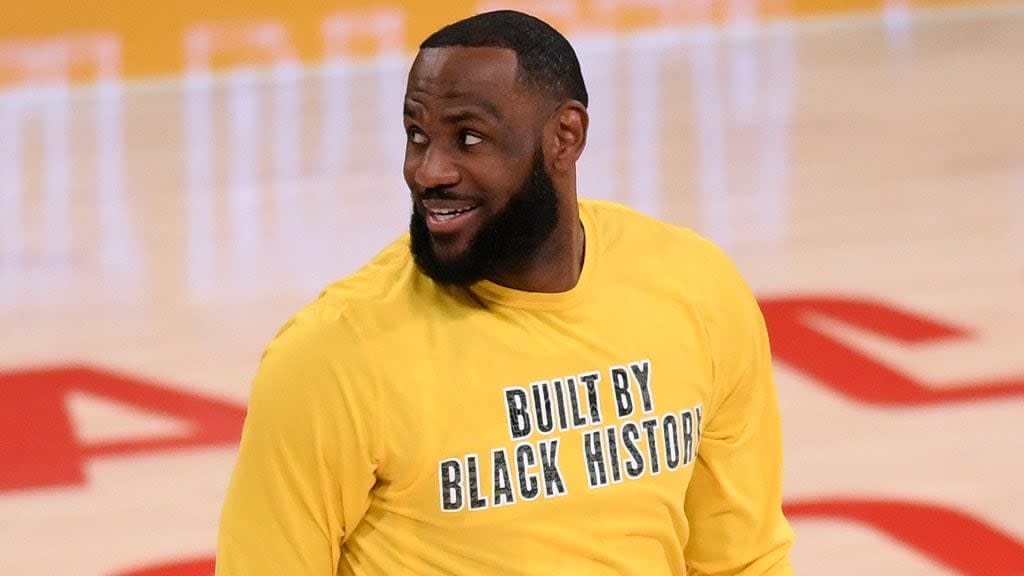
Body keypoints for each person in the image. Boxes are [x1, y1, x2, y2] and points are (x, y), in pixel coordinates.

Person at [216, 9, 793, 576]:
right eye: (418, 135)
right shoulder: (334, 355)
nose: (428, 171)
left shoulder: (696, 290)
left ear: (564, 137)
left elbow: (744, 560)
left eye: (468, 138)